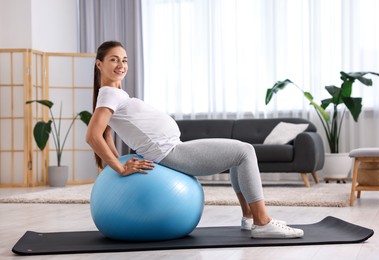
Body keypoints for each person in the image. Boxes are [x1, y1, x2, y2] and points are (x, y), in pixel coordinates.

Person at [86, 40, 304, 239]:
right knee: (244, 151)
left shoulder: (114, 93)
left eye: (124, 60)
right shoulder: (109, 94)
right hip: (169, 153)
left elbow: (106, 133)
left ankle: (250, 217)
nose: (121, 65)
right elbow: (93, 136)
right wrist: (119, 168)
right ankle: (262, 221)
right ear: (99, 64)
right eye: (113, 59)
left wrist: (117, 162)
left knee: (239, 154)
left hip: (172, 149)